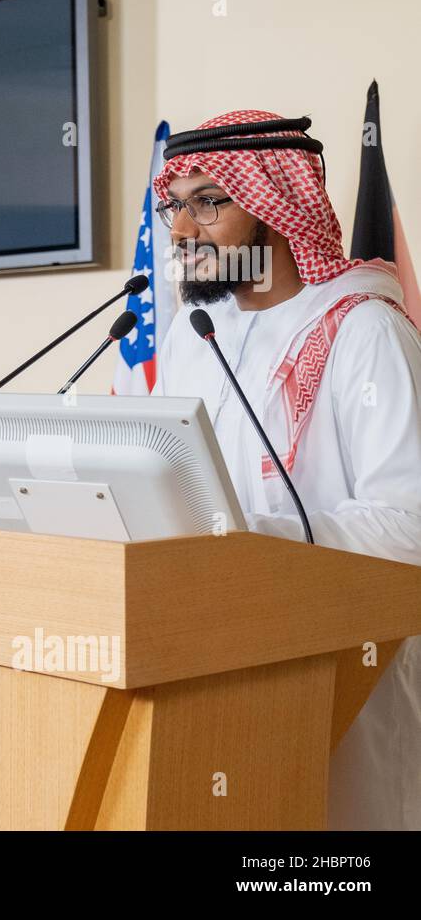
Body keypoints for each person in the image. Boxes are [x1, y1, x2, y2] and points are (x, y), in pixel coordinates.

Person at [150, 110, 421, 829]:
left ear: (277, 203)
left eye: (210, 203)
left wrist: (252, 540)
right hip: (219, 649)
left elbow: (411, 527)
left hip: (347, 660)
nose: (181, 231)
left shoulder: (366, 330)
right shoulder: (192, 334)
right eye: (175, 206)